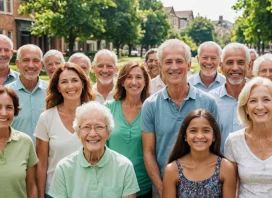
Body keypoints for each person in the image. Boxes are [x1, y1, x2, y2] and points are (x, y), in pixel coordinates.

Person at [141, 39, 218, 197]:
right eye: (168, 62)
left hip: (203, 190)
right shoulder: (150, 105)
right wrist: (163, 190)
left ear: (189, 65)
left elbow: (215, 148)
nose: (174, 67)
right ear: (161, 66)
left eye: (179, 61)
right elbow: (148, 152)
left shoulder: (208, 102)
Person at [48, 101, 140, 198]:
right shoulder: (64, 168)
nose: (92, 134)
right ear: (78, 132)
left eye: (99, 127)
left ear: (108, 132)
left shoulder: (124, 167)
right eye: (86, 127)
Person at [35, 63, 95, 197]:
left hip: (89, 191)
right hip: (54, 192)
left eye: (75, 80)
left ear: (83, 83)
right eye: (64, 82)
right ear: (58, 87)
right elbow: (42, 163)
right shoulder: (46, 118)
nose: (70, 86)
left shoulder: (96, 114)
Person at [162, 109, 235, 197]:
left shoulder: (225, 168)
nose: (200, 136)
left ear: (214, 136)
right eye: (193, 131)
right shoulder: (172, 170)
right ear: (185, 136)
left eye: (206, 130)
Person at [105, 61, 152, 197]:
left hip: (143, 184)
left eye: (138, 77)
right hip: (113, 184)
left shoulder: (150, 109)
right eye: (129, 77)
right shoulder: (108, 107)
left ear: (145, 82)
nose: (134, 82)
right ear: (122, 82)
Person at [210, 42, 249, 152]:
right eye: (229, 62)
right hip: (220, 165)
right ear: (221, 67)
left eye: (240, 62)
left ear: (249, 65)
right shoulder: (210, 100)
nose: (235, 67)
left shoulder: (259, 97)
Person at [6, 44, 48, 143]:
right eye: (25, 60)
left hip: (47, 157)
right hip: (15, 157)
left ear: (41, 65)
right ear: (17, 63)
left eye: (36, 61)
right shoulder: (5, 94)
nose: (31, 65)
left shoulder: (52, 92)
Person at [0, 86, 38, 198]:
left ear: (15, 111)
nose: (3, 113)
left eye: (9, 107)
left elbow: (31, 187)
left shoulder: (25, 142)